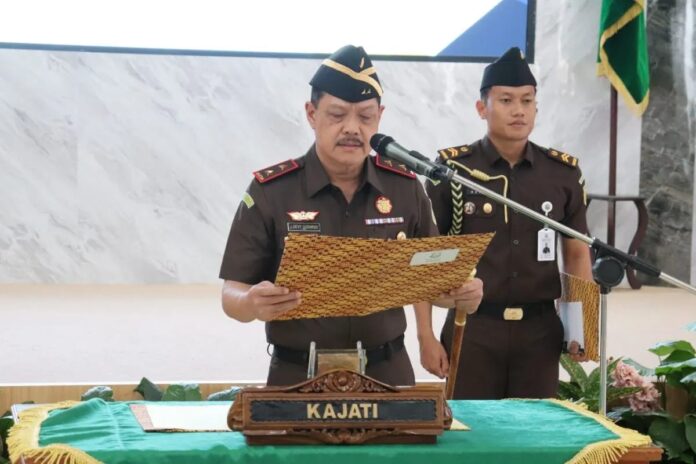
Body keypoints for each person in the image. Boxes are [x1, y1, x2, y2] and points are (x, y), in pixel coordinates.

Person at [219, 45, 483, 387]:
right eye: (337, 115)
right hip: (298, 376)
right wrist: (251, 303)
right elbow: (232, 293)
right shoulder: (271, 191)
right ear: (311, 114)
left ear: (380, 117)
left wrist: (462, 295)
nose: (352, 128)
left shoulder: (404, 188)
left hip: (386, 372)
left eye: (365, 117)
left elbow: (431, 283)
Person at [421, 47, 593, 399]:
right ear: (481, 108)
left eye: (527, 101)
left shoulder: (561, 174)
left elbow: (576, 254)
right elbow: (425, 258)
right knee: (471, 428)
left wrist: (582, 326)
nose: (519, 110)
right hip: (473, 327)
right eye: (506, 100)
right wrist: (425, 337)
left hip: (539, 332)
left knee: (534, 428)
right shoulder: (452, 172)